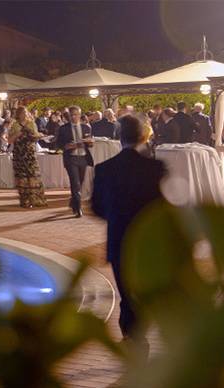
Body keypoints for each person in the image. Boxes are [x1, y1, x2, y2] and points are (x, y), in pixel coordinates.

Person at [92, 115, 166, 353]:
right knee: (143, 289)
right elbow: (163, 206)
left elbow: (96, 207)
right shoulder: (155, 168)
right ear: (143, 136)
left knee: (126, 291)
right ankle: (136, 335)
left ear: (118, 137)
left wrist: (115, 215)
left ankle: (131, 335)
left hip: (119, 238)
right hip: (149, 240)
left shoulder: (104, 169)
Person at [56, 106, 94, 217]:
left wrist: (90, 142)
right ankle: (78, 208)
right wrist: (66, 146)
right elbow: (58, 144)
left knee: (80, 183)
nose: (73, 117)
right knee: (75, 183)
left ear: (79, 115)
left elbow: (90, 143)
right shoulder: (63, 128)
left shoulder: (86, 127)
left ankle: (73, 201)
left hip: (83, 158)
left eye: (76, 114)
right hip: (71, 158)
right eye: (71, 115)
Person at [8, 107, 47, 208]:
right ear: (18, 114)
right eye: (22, 113)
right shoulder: (14, 124)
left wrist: (38, 136)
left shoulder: (32, 123)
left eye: (25, 112)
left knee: (33, 175)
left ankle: (36, 200)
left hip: (30, 153)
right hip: (19, 153)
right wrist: (19, 133)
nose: (24, 114)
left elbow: (35, 136)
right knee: (22, 177)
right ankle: (25, 201)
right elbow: (10, 140)